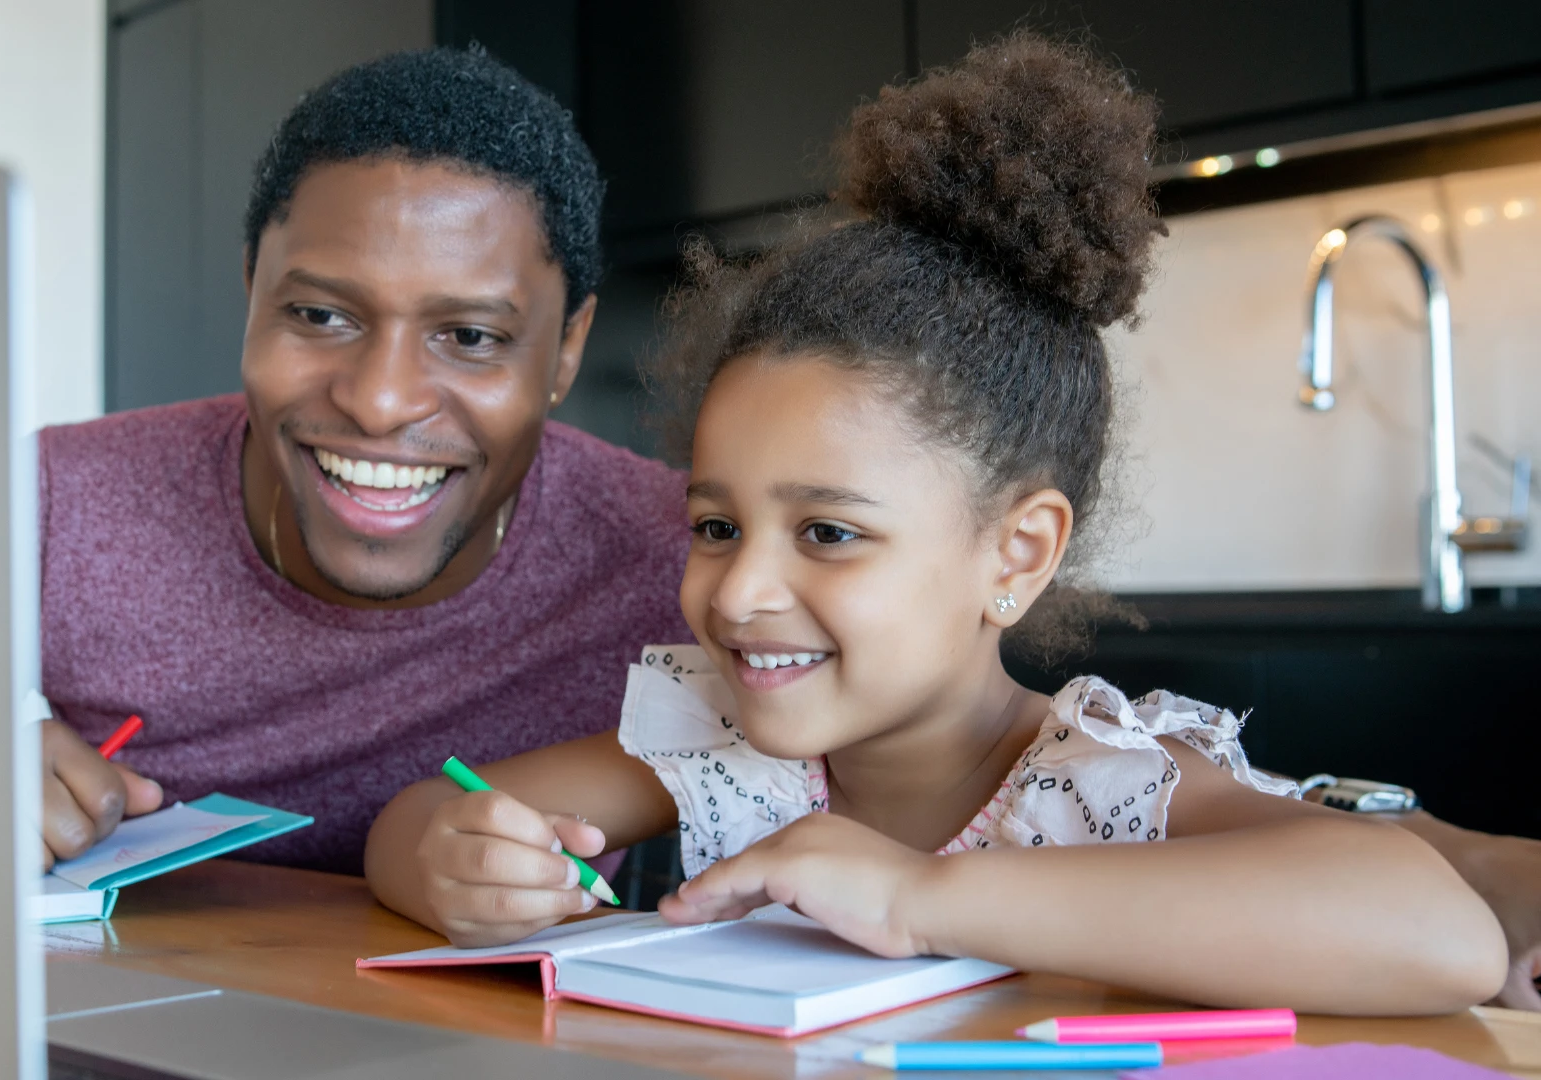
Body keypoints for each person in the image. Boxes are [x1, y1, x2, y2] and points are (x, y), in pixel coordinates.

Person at [361, 35, 1509, 1014]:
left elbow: (1438, 931)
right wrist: (450, 860)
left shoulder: (1100, 786)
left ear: (1015, 554)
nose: (739, 591)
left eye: (828, 534)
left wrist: (921, 898)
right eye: (716, 527)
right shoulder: (725, 749)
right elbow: (428, 811)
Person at [34, 47, 689, 876]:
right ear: (251, 294)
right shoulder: (54, 507)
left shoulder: (679, 559)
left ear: (566, 350)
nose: (380, 401)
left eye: (470, 337)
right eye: (319, 314)